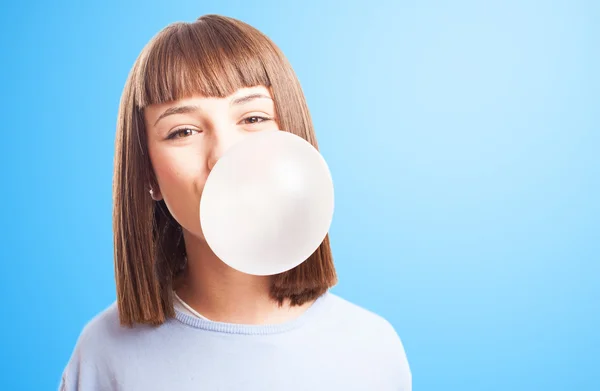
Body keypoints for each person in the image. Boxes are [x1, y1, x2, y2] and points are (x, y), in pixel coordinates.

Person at [59, 14, 412, 391]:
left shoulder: (373, 350)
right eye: (183, 131)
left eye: (253, 117)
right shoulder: (104, 354)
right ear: (148, 175)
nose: (224, 154)